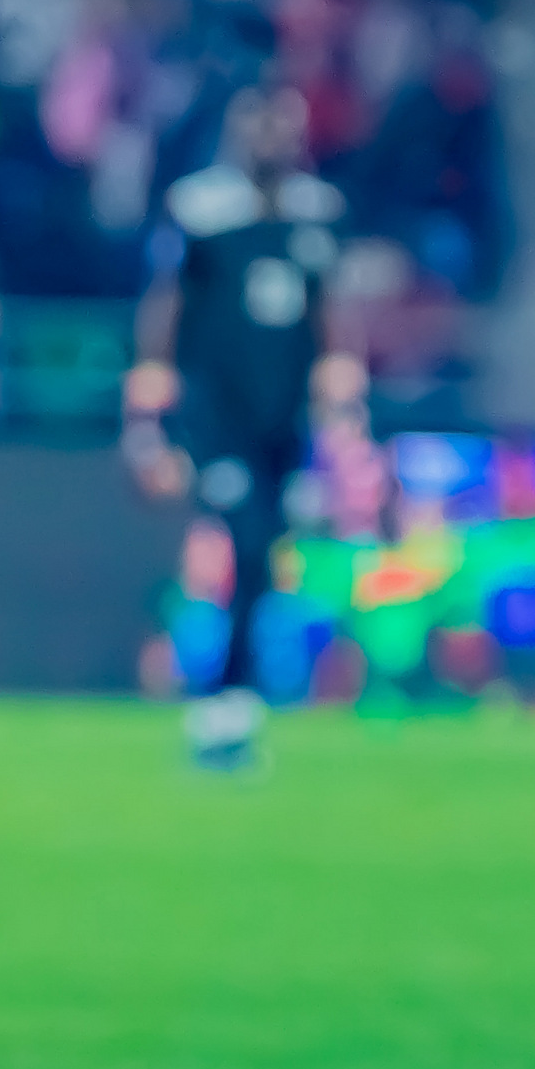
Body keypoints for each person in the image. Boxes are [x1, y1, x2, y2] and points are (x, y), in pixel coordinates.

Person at [123, 81, 367, 769]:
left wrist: (339, 372)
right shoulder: (202, 211)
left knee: (265, 551)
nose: (272, 140)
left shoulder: (317, 213)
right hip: (218, 410)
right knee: (247, 534)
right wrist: (152, 389)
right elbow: (169, 302)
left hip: (283, 412)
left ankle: (232, 699)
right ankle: (225, 696)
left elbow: (327, 304)